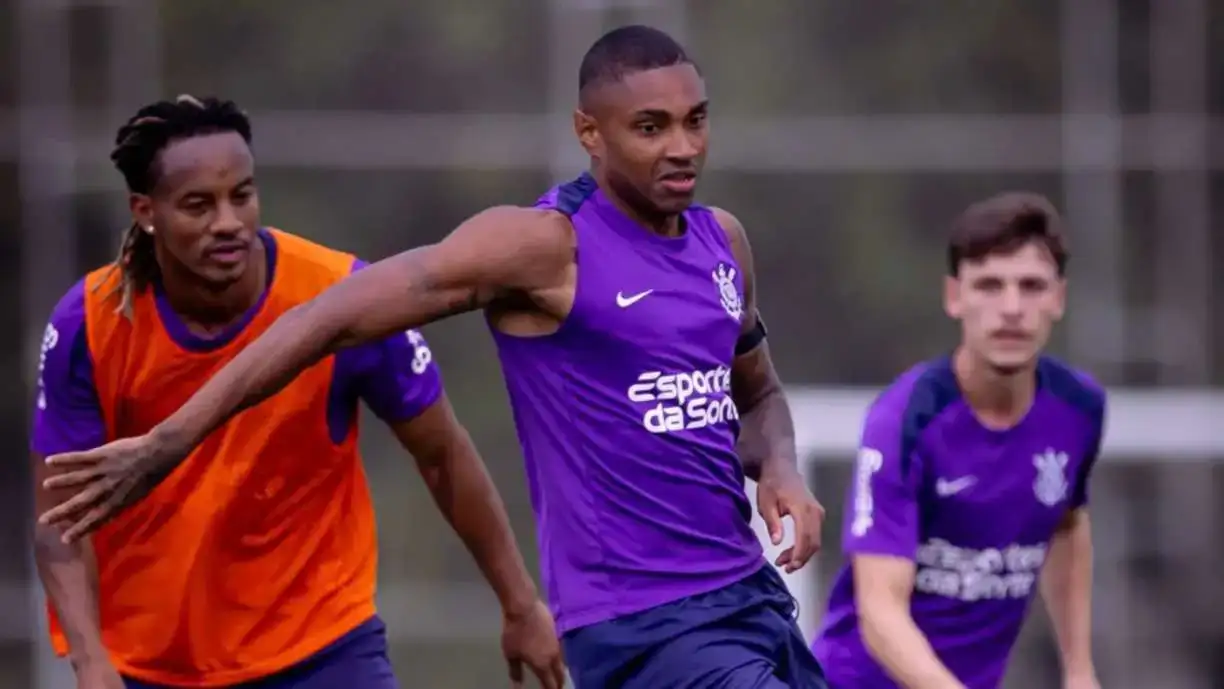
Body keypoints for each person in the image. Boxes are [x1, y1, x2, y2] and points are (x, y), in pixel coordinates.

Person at [40, 27, 829, 689]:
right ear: (590, 132)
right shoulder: (542, 247)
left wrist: (783, 466)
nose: (682, 147)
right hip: (643, 623)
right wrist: (168, 441)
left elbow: (758, 396)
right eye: (651, 127)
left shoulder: (722, 243)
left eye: (696, 121)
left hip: (748, 596)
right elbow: (324, 319)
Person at [30, 95, 563, 689]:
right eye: (199, 205)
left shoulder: (343, 298)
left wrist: (520, 604)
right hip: (150, 664)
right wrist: (90, 660)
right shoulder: (90, 323)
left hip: (322, 650)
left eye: (242, 195)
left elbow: (443, 455)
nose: (228, 221)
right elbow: (59, 518)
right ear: (145, 211)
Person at [810, 193, 1105, 689]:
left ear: (1059, 298)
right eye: (989, 285)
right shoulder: (904, 420)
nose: (1011, 308)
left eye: (1031, 286)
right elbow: (880, 613)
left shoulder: (1079, 409)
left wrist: (1078, 670)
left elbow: (1067, 525)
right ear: (954, 297)